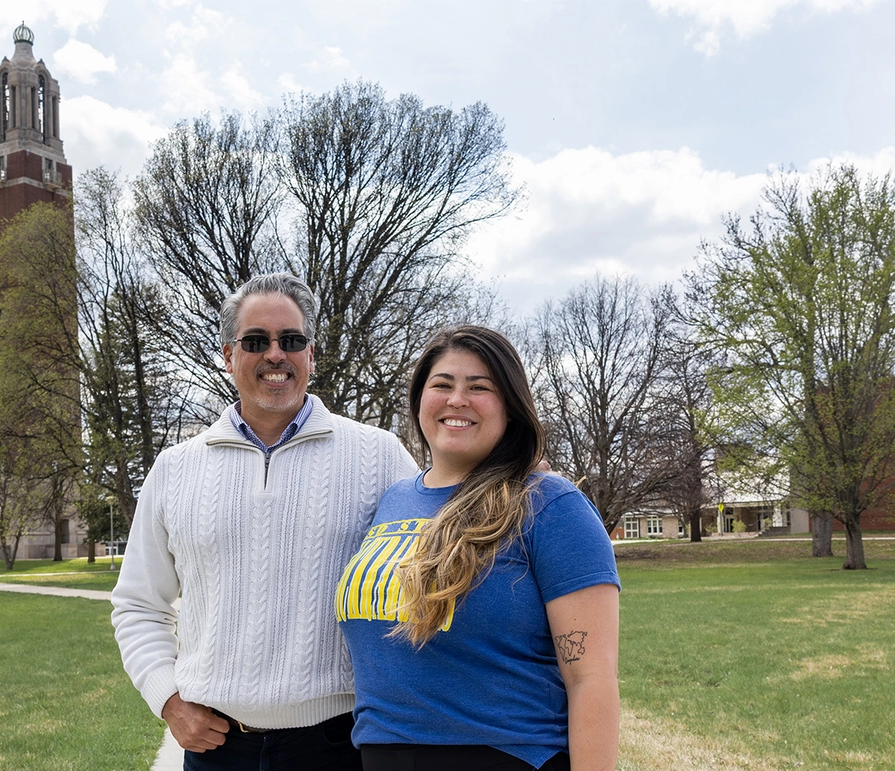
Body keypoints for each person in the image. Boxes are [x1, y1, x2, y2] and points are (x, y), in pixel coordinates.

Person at [111, 273, 418, 770]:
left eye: (291, 341)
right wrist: (167, 699)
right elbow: (137, 604)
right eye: (256, 341)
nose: (275, 354)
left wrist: (514, 463)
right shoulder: (174, 468)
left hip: (340, 746)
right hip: (215, 749)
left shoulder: (379, 457)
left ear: (311, 356)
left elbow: (443, 561)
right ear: (229, 356)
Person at [336, 325, 621, 771]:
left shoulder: (550, 504)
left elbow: (592, 680)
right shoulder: (391, 500)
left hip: (508, 756)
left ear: (510, 406)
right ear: (419, 400)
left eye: (480, 387)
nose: (457, 400)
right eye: (442, 385)